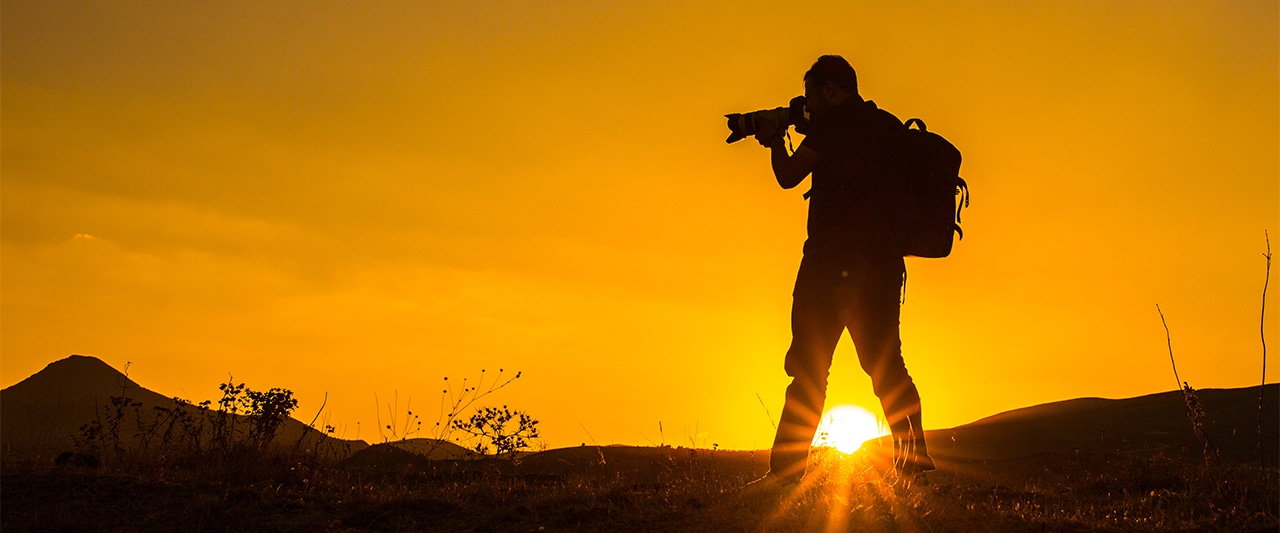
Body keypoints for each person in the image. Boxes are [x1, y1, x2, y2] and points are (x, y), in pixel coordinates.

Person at [754, 55, 934, 484]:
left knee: (809, 371)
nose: (808, 106)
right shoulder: (882, 125)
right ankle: (915, 464)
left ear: (831, 90)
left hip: (829, 271)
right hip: (882, 270)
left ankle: (784, 473)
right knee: (888, 367)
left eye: (812, 95)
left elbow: (788, 175)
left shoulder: (834, 126)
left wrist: (775, 139)